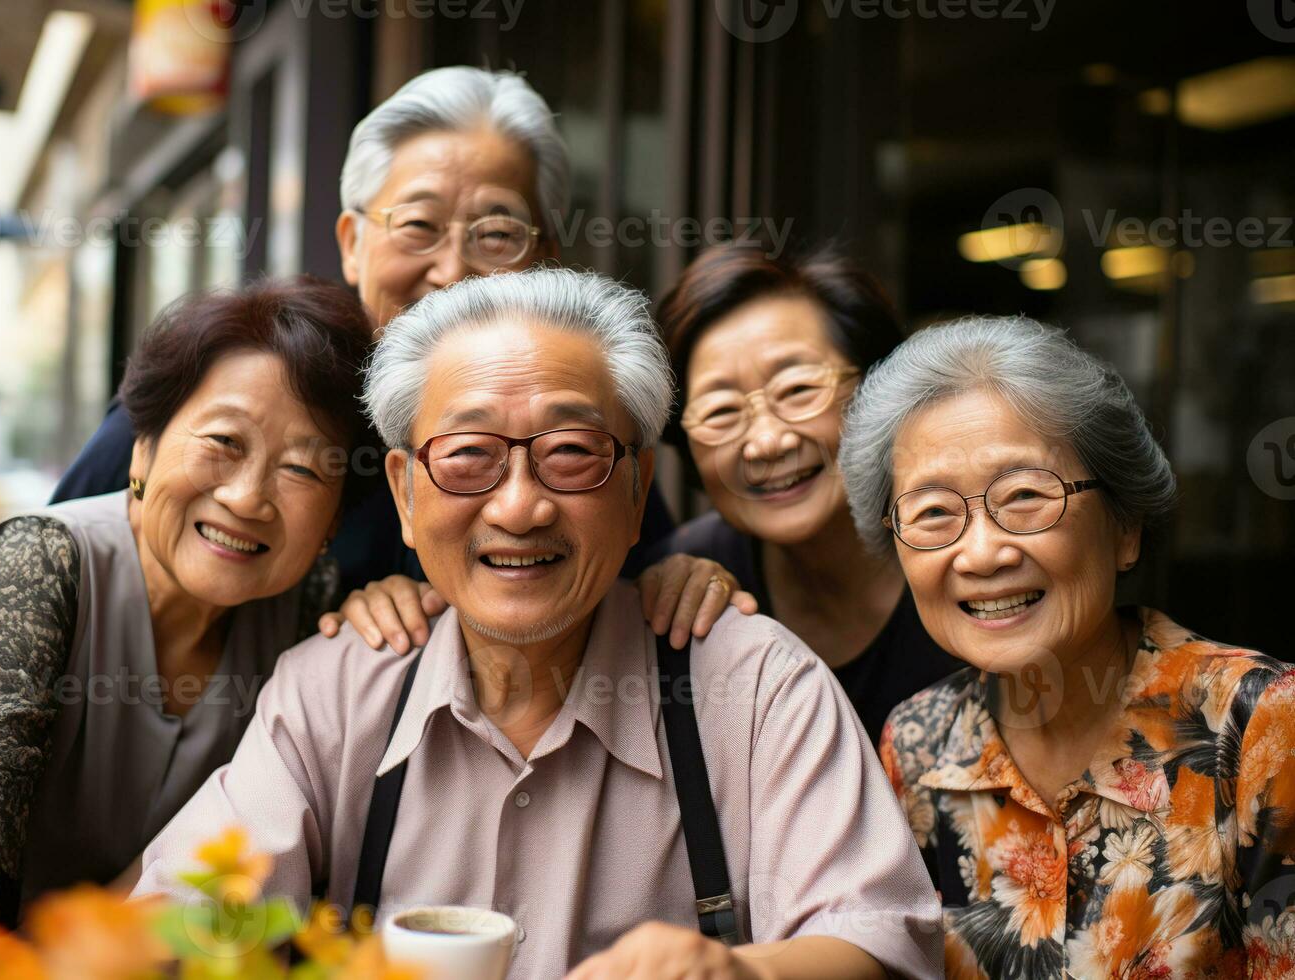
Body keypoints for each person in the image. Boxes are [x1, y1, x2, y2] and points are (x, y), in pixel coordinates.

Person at [132, 268, 942, 980]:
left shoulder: (755, 685)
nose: (520, 505)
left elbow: (877, 940)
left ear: (636, 490)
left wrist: (734, 971)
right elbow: (183, 918)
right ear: (407, 495)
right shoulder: (337, 689)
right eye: (469, 455)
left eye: (571, 450)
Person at [0, 277, 371, 950]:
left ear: (334, 520)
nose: (248, 497)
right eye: (225, 442)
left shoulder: (310, 608)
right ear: (143, 447)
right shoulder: (44, 562)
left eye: (304, 471)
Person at [50, 66, 676, 602]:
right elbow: (68, 555)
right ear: (353, 245)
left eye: (496, 233)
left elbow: (652, 575)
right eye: (418, 224)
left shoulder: (582, 427)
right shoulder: (255, 383)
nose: (453, 271)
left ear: (545, 255)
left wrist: (682, 579)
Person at [842, 315, 1295, 977]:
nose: (982, 553)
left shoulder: (1260, 726)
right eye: (933, 512)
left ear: (1125, 527)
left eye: (1025, 496)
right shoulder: (918, 744)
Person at [640, 242, 958, 744]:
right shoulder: (675, 591)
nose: (768, 441)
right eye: (722, 412)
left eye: (798, 391)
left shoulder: (969, 555)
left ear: (877, 391)